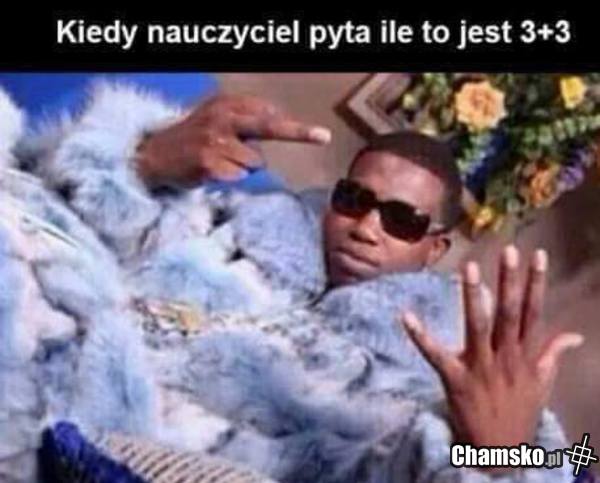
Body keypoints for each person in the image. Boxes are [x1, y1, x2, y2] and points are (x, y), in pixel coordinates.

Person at [0, 81, 580, 482]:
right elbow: (72, 211)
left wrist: (500, 455)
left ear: (435, 248)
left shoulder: (425, 373)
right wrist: (144, 161)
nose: (367, 228)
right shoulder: (235, 225)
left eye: (401, 220)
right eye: (354, 200)